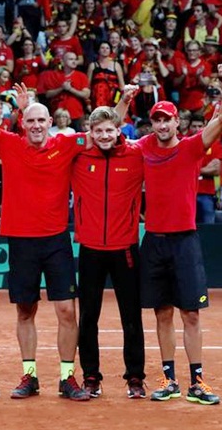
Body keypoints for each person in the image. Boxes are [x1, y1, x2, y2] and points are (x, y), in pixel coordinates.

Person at [133, 62, 222, 406]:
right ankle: (169, 380)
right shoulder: (143, 147)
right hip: (155, 242)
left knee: (190, 314)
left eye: (167, 119)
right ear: (153, 124)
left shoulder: (193, 146)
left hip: (185, 242)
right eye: (157, 120)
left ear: (177, 121)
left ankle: (197, 382)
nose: (162, 125)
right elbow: (106, 139)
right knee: (162, 313)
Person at [0, 83, 91, 402]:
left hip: (56, 240)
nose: (36, 126)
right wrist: (13, 105)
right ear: (23, 123)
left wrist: (125, 102)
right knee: (26, 310)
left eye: (42, 120)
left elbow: (104, 131)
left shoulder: (66, 144)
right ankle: (30, 375)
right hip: (21, 241)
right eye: (31, 121)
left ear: (51, 123)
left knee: (66, 310)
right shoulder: (9, 145)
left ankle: (67, 376)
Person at [71, 102, 147, 399]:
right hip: (90, 249)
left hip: (125, 249)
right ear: (90, 132)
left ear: (119, 131)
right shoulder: (77, 156)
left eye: (109, 130)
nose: (104, 135)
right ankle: (91, 375)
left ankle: (135, 377)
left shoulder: (136, 155)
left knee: (132, 317)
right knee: (89, 316)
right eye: (98, 130)